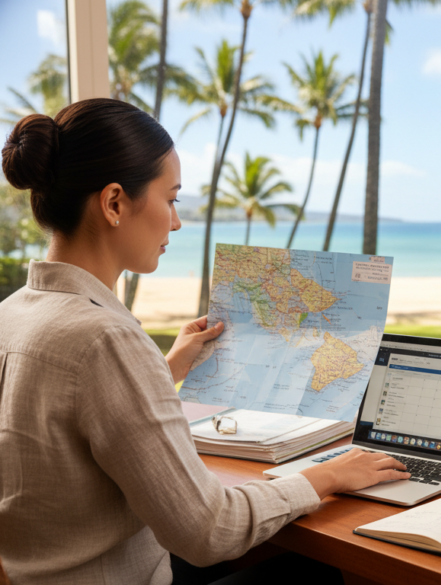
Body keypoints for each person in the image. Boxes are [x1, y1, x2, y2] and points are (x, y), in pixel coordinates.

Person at [0, 99, 410, 585]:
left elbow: (61, 412)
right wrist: (330, 474)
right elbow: (210, 530)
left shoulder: (14, 314)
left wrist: (166, 368)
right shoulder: (103, 339)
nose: (175, 221)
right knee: (321, 569)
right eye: (170, 199)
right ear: (113, 203)